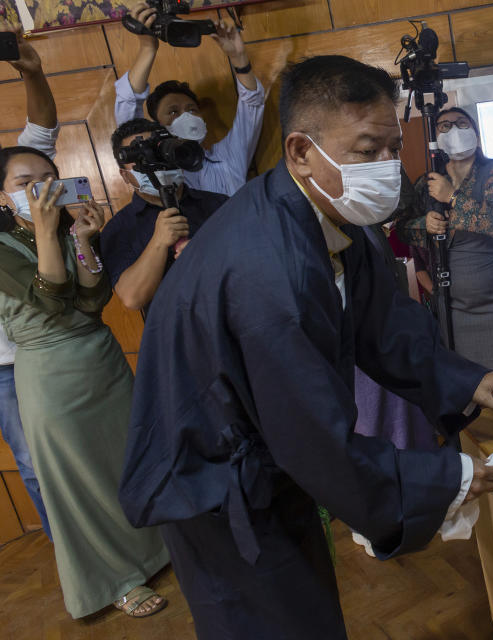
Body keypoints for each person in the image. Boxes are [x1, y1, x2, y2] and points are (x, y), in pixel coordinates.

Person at [117, 55, 493, 640]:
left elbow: (381, 325)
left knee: (308, 605)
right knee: (272, 621)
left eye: (392, 150)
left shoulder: (330, 213)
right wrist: (450, 477)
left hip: (268, 460)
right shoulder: (267, 267)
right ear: (301, 151)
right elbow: (310, 433)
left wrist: (464, 379)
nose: (386, 168)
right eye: (366, 150)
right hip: (215, 480)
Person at [0, 147, 169, 618]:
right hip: (50, 375)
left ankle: (158, 546)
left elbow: (94, 300)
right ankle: (117, 578)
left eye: (49, 177)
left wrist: (82, 237)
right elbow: (51, 298)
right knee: (78, 483)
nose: (40, 187)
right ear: (2, 193)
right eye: (24, 181)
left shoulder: (65, 228)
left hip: (102, 357)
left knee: (128, 457)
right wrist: (44, 229)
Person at [396, 107, 493, 371]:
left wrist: (453, 198)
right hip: (452, 306)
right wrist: (425, 225)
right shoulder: (428, 183)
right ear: (435, 139)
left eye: (461, 123)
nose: (455, 130)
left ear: (476, 134)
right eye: (445, 126)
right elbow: (402, 230)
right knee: (465, 382)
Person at [0, 23, 61, 538]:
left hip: (59, 346)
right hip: (3, 366)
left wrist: (34, 73)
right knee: (35, 462)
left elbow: (40, 135)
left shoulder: (14, 191)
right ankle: (73, 550)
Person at [115, 2, 265, 196]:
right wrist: (147, 48)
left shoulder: (227, 157)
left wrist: (239, 60)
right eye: (173, 112)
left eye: (192, 109)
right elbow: (128, 113)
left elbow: (252, 104)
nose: (186, 115)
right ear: (158, 126)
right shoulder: (155, 168)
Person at [101, 118, 228, 311]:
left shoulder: (219, 204)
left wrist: (210, 256)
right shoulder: (119, 228)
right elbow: (132, 298)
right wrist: (158, 242)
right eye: (142, 156)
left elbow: (254, 260)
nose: (154, 162)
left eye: (157, 151)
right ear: (125, 175)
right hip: (180, 333)